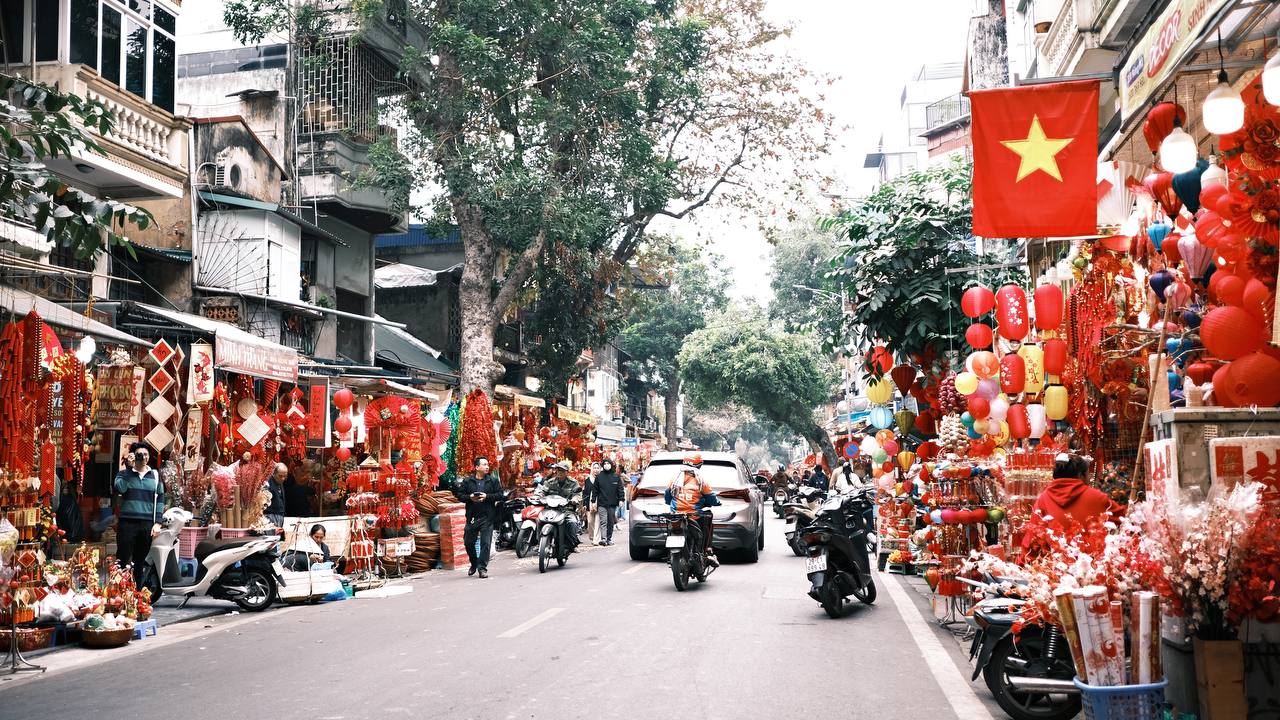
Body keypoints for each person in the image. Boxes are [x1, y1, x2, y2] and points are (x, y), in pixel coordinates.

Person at [1023, 454, 1119, 551]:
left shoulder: (1043, 500)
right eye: (1087, 474)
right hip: (1094, 562)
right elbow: (1124, 520)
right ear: (1080, 476)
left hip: (1055, 562)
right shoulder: (1098, 498)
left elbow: (1031, 540)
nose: (1089, 478)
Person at [114, 442, 165, 587]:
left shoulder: (155, 475)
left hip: (146, 524)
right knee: (123, 559)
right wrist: (129, 469)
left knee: (140, 561)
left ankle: (136, 594)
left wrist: (158, 523)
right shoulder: (123, 474)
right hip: (127, 523)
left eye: (146, 454)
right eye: (140, 454)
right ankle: (120, 592)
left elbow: (160, 498)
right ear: (133, 456)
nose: (144, 457)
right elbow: (120, 489)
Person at [663, 452, 721, 566]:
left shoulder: (675, 478)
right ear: (698, 465)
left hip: (676, 515)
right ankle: (708, 550)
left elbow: (667, 495)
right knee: (709, 516)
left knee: (670, 524)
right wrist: (717, 503)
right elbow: (711, 497)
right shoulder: (700, 480)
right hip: (693, 516)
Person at [453, 457, 502, 578]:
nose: (487, 466)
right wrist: (470, 497)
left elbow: (500, 495)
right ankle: (474, 563)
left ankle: (482, 568)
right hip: (472, 517)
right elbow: (459, 495)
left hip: (487, 517)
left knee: (485, 543)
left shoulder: (493, 481)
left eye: (487, 464)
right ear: (477, 467)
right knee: (468, 542)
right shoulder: (468, 481)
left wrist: (487, 496)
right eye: (484, 464)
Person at [544, 461, 584, 539]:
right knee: (539, 519)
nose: (560, 472)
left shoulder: (573, 483)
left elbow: (578, 494)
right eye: (558, 470)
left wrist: (574, 499)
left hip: (566, 510)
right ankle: (539, 543)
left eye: (562, 470)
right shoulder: (550, 482)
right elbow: (542, 491)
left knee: (572, 522)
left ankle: (572, 544)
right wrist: (538, 496)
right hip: (550, 509)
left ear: (567, 472)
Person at [592, 459, 625, 546]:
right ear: (602, 465)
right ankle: (603, 539)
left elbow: (620, 489)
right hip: (601, 503)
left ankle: (609, 539)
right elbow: (595, 490)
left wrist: (621, 499)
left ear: (611, 464)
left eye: (608, 463)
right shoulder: (599, 477)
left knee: (610, 522)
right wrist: (593, 501)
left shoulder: (616, 477)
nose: (606, 465)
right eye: (605, 463)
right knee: (603, 521)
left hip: (612, 504)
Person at [264, 463, 288, 527]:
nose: (283, 478)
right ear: (273, 474)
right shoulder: (267, 484)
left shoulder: (280, 482)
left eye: (285, 476)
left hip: (279, 516)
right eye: (280, 476)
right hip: (270, 516)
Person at [584, 462, 601, 544]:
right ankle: (592, 536)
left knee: (598, 521)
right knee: (590, 521)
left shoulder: (602, 479)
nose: (596, 470)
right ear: (592, 469)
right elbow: (585, 493)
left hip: (600, 502)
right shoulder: (587, 480)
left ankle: (596, 539)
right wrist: (584, 504)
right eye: (594, 468)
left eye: (598, 468)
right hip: (589, 504)